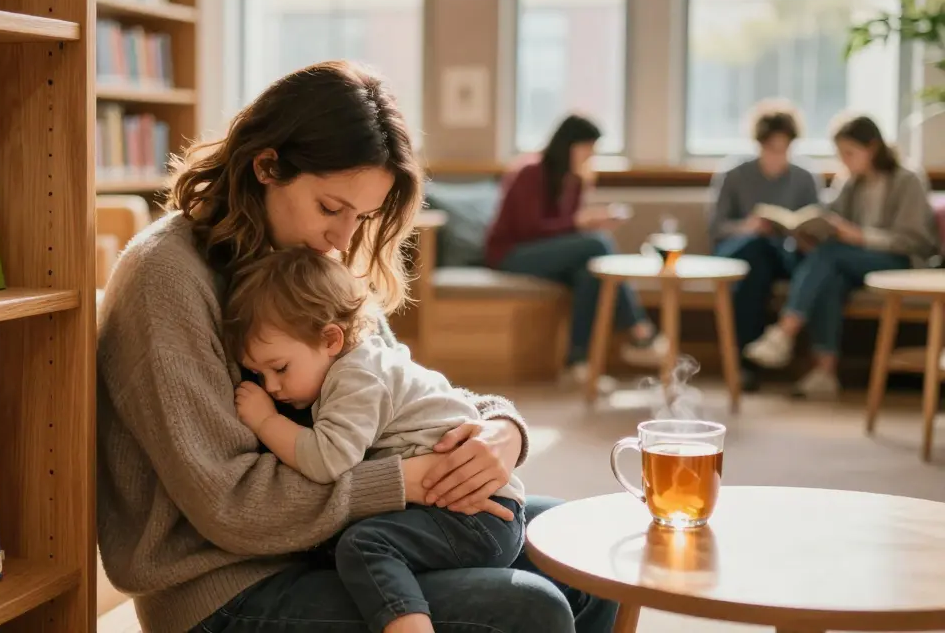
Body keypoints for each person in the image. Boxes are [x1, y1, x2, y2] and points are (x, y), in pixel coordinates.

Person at [97, 61, 618, 633]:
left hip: (335, 540)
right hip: (227, 586)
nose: (344, 239)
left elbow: (392, 386)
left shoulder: (308, 261)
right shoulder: (165, 276)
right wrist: (408, 480)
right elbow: (230, 507)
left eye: (363, 216)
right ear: (267, 165)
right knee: (528, 608)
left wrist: (500, 430)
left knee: (582, 555)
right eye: (330, 208)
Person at [226, 246, 526, 633]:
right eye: (257, 374)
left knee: (364, 546)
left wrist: (266, 420)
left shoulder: (356, 379)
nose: (271, 386)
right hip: (480, 513)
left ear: (331, 339)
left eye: (279, 368)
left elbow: (326, 460)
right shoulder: (366, 357)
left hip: (476, 516)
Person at [744, 114, 941, 399]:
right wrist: (807, 232)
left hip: (901, 262)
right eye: (840, 154)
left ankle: (785, 331)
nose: (844, 161)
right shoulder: (850, 183)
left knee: (832, 257)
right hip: (853, 262)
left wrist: (860, 236)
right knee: (831, 275)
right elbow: (828, 220)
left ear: (872, 148)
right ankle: (825, 372)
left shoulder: (906, 180)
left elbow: (915, 241)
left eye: (849, 153)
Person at [484, 114, 668, 387]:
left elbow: (564, 231)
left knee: (589, 272)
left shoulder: (576, 180)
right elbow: (528, 228)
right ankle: (639, 329)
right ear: (569, 144)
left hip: (548, 255)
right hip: (511, 254)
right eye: (587, 148)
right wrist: (581, 222)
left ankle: (577, 361)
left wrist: (590, 222)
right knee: (597, 243)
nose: (590, 155)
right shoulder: (531, 171)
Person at [708, 101, 823, 391]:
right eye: (772, 148)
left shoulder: (805, 177)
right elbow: (716, 228)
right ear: (759, 144)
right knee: (754, 255)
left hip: (784, 253)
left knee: (772, 257)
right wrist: (747, 226)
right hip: (739, 252)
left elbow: (815, 223)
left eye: (784, 149)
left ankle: (747, 361)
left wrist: (800, 233)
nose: (778, 156)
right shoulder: (734, 174)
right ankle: (747, 361)